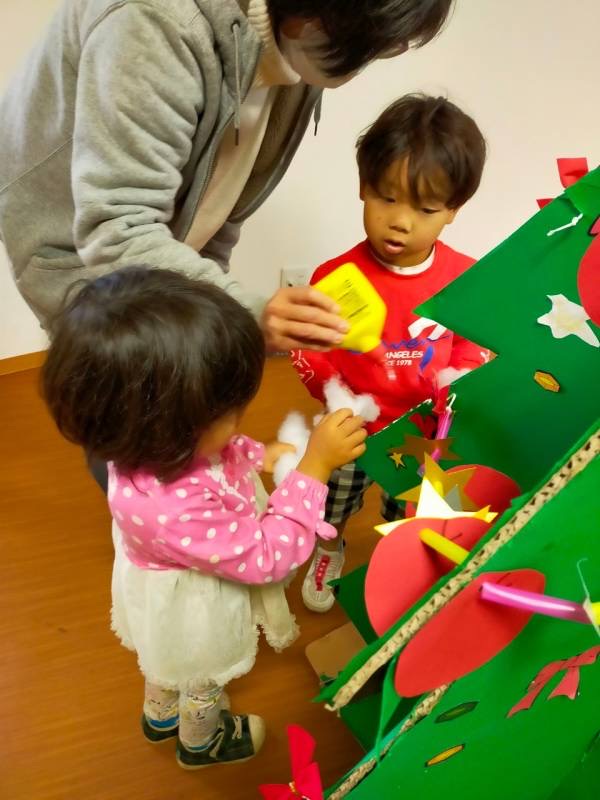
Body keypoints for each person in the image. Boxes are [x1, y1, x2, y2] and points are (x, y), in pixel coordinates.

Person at [41, 266, 367, 768]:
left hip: (157, 585)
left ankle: (159, 714)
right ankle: (201, 739)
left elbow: (214, 451)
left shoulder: (133, 439)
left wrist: (256, 453)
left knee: (163, 659)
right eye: (230, 415)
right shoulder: (177, 508)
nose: (239, 421)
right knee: (200, 673)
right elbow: (268, 558)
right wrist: (314, 468)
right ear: (174, 430)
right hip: (195, 604)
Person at [0, 0, 454, 355]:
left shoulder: (296, 54)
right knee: (133, 412)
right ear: (316, 21)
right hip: (78, 250)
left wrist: (215, 311)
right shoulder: (153, 21)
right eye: (379, 45)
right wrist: (244, 313)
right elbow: (118, 232)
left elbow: (223, 200)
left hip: (144, 256)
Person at [292, 93, 489, 612]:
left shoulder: (465, 280)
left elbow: (472, 343)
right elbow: (310, 352)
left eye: (425, 209)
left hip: (425, 429)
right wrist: (334, 396)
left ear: (453, 210)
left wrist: (458, 385)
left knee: (410, 511)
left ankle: (395, 563)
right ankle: (328, 548)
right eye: (386, 198)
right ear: (363, 186)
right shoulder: (335, 278)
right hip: (352, 429)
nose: (401, 221)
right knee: (333, 502)